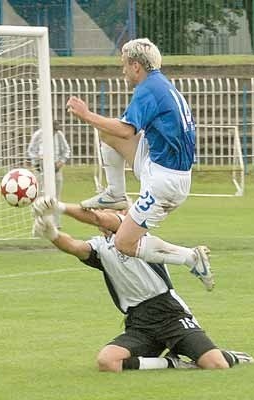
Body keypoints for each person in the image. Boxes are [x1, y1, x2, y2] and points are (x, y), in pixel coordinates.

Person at [31, 196, 254, 372]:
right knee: (107, 362)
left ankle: (229, 355)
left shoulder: (137, 234)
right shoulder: (100, 247)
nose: (107, 213)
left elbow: (100, 219)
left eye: (117, 209)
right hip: (139, 323)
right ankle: (173, 364)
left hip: (170, 314)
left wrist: (59, 206)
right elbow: (74, 246)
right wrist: (51, 232)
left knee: (216, 364)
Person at [66, 38, 206, 284]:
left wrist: (86, 115)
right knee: (106, 133)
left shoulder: (149, 89)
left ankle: (190, 257)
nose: (123, 71)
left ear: (136, 66)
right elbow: (120, 131)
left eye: (124, 65)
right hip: (157, 164)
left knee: (124, 242)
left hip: (165, 181)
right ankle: (115, 193)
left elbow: (126, 131)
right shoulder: (159, 84)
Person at [27, 120, 70, 227]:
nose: (55, 132)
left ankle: (56, 223)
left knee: (56, 196)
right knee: (40, 196)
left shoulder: (59, 135)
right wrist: (37, 163)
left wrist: (61, 162)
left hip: (56, 168)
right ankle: (39, 222)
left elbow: (66, 150)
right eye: (53, 130)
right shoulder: (38, 135)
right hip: (40, 169)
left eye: (56, 130)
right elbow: (31, 151)